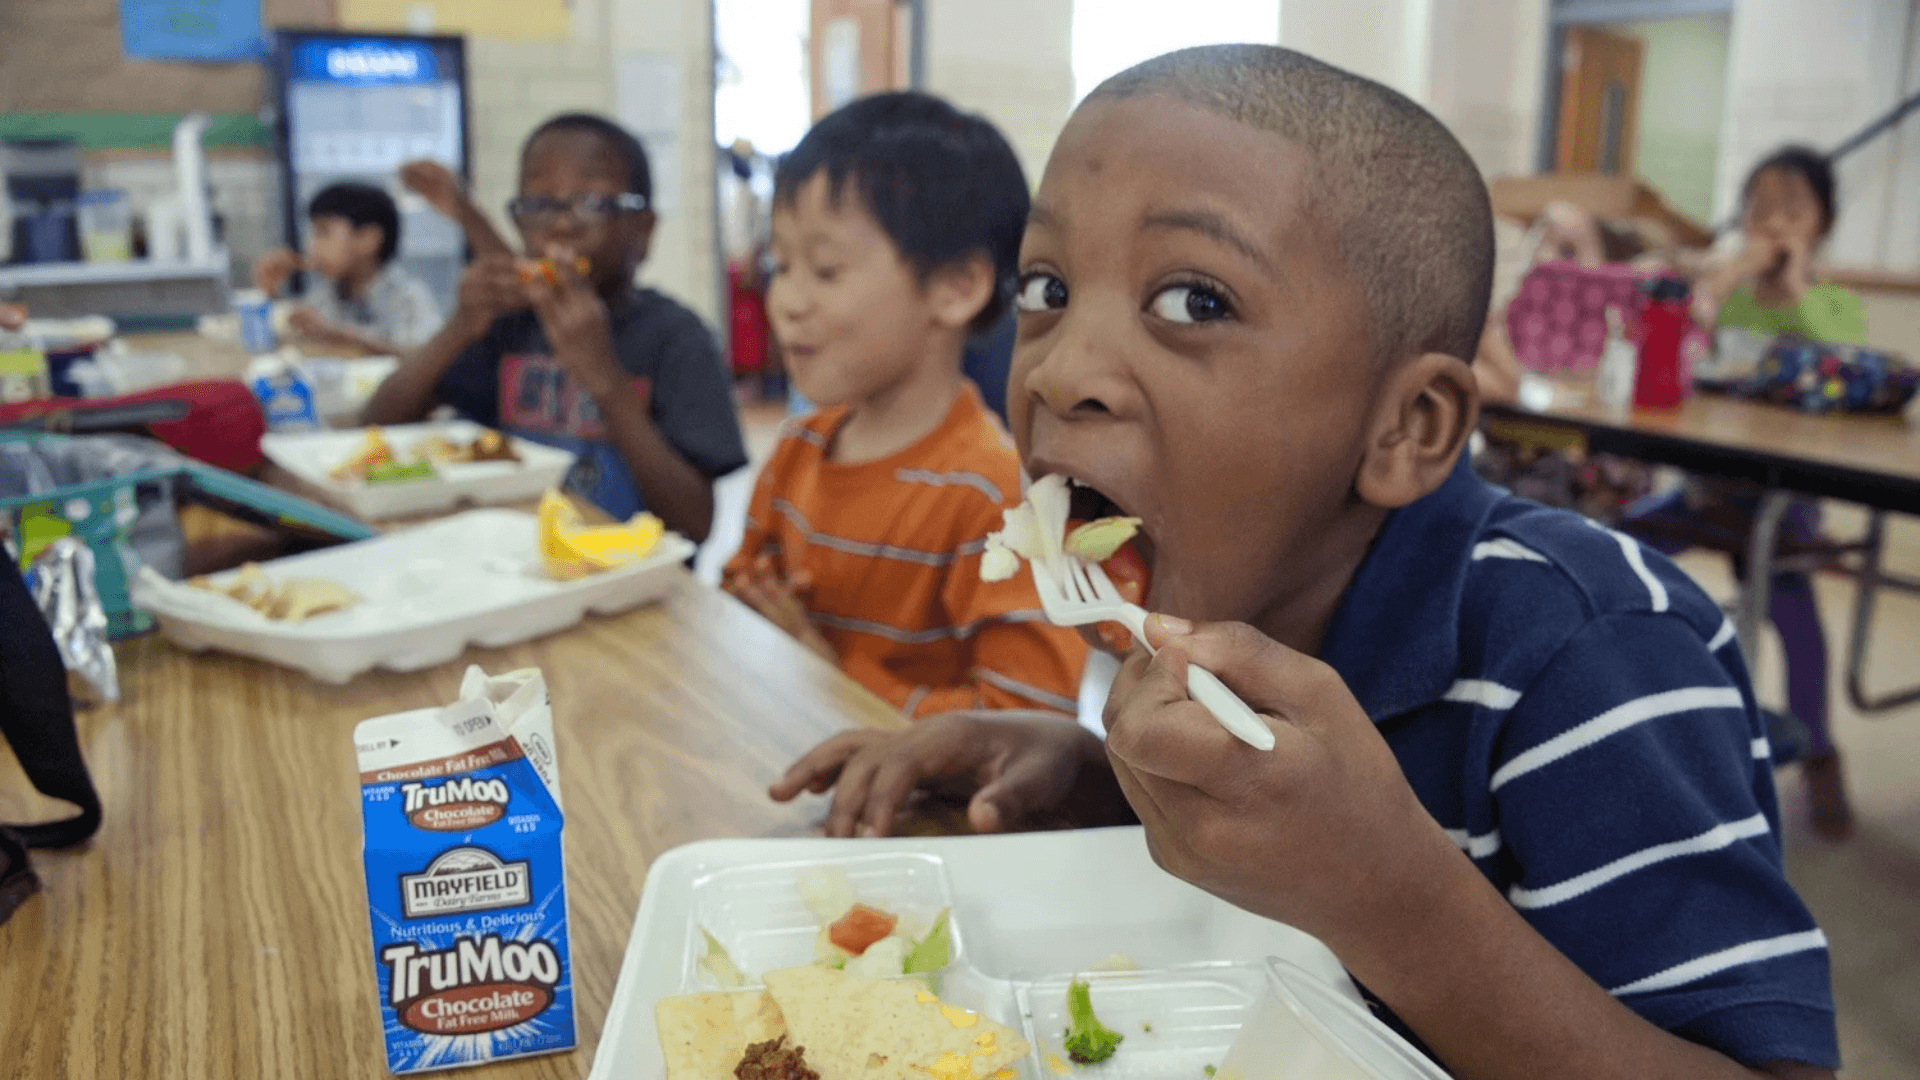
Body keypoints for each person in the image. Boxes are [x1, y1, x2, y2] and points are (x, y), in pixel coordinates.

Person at [772, 46, 1836, 1079]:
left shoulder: (1591, 651)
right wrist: (1092, 781)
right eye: (1046, 287)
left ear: (1406, 427)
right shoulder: (1239, 594)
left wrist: (1384, 897)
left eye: (1194, 301)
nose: (1061, 370)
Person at [724, 92, 1086, 722]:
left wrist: (827, 673)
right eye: (780, 265)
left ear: (955, 287)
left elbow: (1028, 720)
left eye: (826, 270)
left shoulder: (993, 495)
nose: (786, 300)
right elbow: (739, 599)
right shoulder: (799, 446)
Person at [1625, 146, 1866, 839]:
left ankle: (1818, 747)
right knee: (1623, 543)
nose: (1773, 224)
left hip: (1783, 503)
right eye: (1760, 208)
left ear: (1823, 223)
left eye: (1792, 211)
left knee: (1793, 607)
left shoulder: (1834, 303)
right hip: (1707, 490)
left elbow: (1836, 357)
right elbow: (1688, 340)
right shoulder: (1730, 292)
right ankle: (1638, 709)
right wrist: (1729, 270)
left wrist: (1793, 283)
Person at [363, 114, 747, 541]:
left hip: (631, 579)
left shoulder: (678, 339)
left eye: (594, 203)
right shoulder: (508, 327)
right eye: (540, 205)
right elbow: (377, 425)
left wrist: (607, 384)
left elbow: (694, 524)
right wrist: (459, 327)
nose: (562, 225)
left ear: (643, 231)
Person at [253, 182, 443, 355]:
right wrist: (270, 293)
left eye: (323, 232)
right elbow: (287, 345)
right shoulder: (324, 297)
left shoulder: (409, 297)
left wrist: (347, 338)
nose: (312, 247)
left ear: (368, 239)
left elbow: (429, 359)